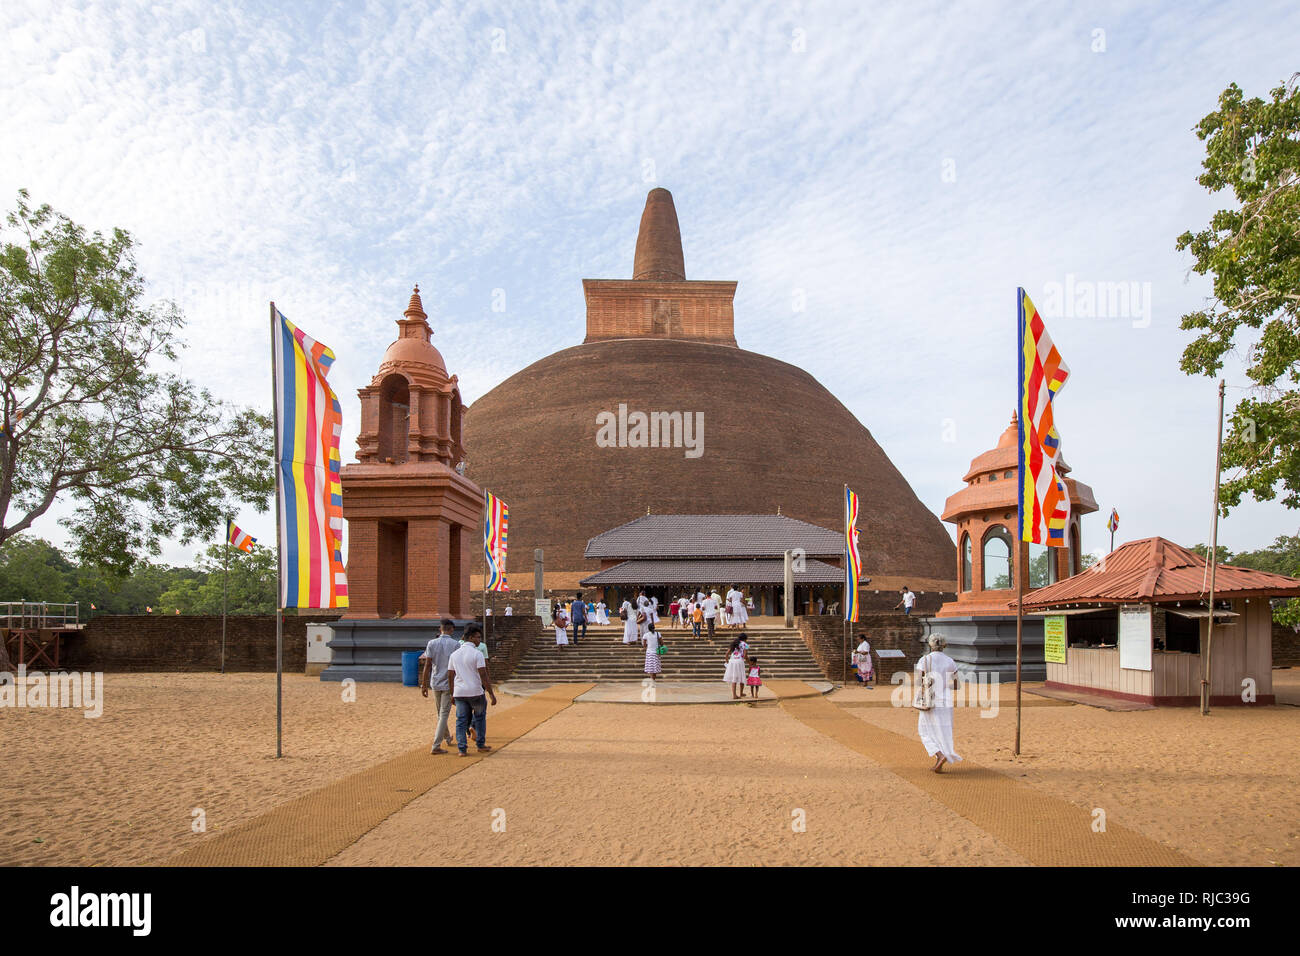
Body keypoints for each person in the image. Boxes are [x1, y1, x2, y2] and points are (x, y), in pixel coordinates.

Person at [448, 623, 497, 757]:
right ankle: (480, 744)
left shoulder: (454, 655)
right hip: (476, 692)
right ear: (470, 638)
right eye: (477, 637)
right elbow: (483, 675)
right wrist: (491, 694)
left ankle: (462, 748)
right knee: (480, 718)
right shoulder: (477, 654)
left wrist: (452, 693)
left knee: (461, 720)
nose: (479, 640)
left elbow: (450, 676)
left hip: (460, 693)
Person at [916, 635, 961, 773]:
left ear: (930, 645)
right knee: (943, 731)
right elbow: (956, 685)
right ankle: (940, 759)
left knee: (924, 730)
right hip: (946, 701)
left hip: (931, 700)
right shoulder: (950, 661)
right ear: (944, 645)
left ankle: (940, 755)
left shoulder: (924, 660)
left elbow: (919, 682)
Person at [418, 619, 461, 755]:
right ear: (452, 629)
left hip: (435, 681)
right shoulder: (455, 644)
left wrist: (424, 684)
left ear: (440, 629)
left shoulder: (432, 643)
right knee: (443, 714)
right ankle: (436, 745)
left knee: (440, 714)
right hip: (449, 682)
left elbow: (427, 665)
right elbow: (457, 668)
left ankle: (447, 737)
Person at [723, 634, 748, 700]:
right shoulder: (745, 644)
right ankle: (741, 693)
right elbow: (745, 656)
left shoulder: (734, 643)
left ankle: (734, 694)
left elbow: (727, 653)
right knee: (741, 677)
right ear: (745, 639)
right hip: (739, 661)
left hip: (732, 661)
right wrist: (749, 662)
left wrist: (727, 661)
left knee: (734, 678)